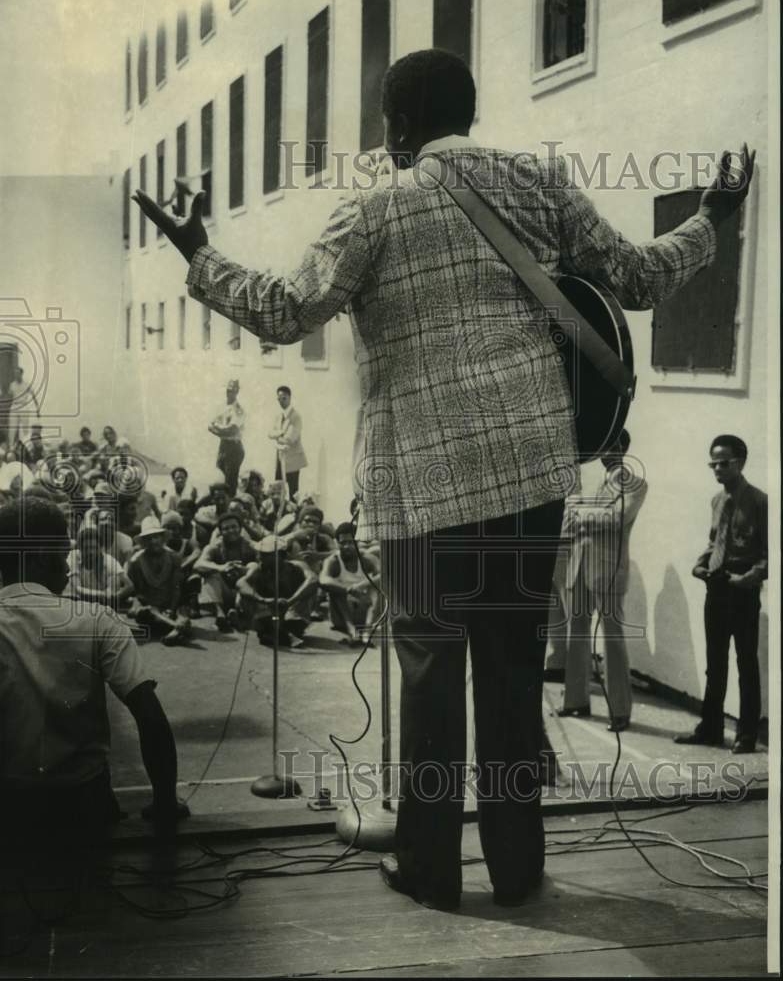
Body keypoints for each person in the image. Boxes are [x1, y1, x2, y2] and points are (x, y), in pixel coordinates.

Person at [134, 47, 753, 910]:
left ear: (394, 127)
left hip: (418, 494)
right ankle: (515, 868)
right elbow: (641, 278)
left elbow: (282, 310)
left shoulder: (375, 209)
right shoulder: (537, 184)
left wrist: (198, 251)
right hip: (531, 483)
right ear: (467, 111)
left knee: (429, 680)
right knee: (508, 677)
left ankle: (428, 867)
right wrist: (715, 216)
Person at [0, 497, 188, 845]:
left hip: (10, 807)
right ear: (42, 555)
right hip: (84, 804)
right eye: (64, 550)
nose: (69, 564)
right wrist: (165, 803)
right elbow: (149, 715)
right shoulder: (96, 620)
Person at [675, 435, 767, 754]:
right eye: (712, 462)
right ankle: (710, 728)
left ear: (740, 462)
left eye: (723, 462)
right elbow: (715, 541)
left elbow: (769, 554)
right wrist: (700, 565)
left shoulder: (760, 502)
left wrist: (747, 579)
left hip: (742, 591)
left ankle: (746, 735)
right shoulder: (717, 500)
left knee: (746, 664)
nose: (716, 468)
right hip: (716, 588)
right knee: (715, 663)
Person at [556, 430, 648, 731]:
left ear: (622, 448)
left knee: (612, 639)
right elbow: (569, 520)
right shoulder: (597, 481)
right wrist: (585, 512)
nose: (603, 452)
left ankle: (619, 711)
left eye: (610, 446)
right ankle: (576, 701)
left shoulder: (634, 483)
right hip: (580, 567)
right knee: (577, 635)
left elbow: (616, 518)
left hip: (607, 571)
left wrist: (580, 510)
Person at [234, 535, 317, 649]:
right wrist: (264, 600)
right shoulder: (259, 569)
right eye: (260, 553)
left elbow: (313, 579)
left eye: (265, 554)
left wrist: (290, 601)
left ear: (280, 555)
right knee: (245, 595)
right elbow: (240, 583)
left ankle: (278, 633)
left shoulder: (297, 566)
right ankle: (282, 634)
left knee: (308, 593)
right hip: (268, 611)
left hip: (290, 611)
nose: (259, 557)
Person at [126, 516, 192, 647]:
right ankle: (176, 628)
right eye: (149, 538)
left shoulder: (174, 558)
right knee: (143, 612)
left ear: (162, 538)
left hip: (169, 604)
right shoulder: (136, 562)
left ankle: (174, 627)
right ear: (144, 542)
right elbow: (137, 591)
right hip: (149, 607)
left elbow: (176, 587)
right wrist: (142, 604)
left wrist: (171, 609)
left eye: (156, 537)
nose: (153, 541)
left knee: (183, 611)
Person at [320, 521, 382, 646]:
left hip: (365, 613)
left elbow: (385, 574)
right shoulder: (333, 560)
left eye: (351, 542)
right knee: (335, 588)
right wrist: (349, 589)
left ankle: (367, 633)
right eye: (343, 543)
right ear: (337, 543)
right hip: (341, 617)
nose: (347, 546)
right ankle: (352, 631)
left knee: (376, 588)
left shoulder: (367, 558)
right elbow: (323, 580)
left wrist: (361, 585)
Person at [194, 510, 257, 631]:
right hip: (223, 594)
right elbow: (198, 565)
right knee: (210, 574)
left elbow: (263, 565)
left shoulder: (250, 545)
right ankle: (220, 615)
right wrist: (221, 568)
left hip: (244, 594)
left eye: (234, 527)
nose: (231, 531)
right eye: (226, 528)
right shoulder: (215, 546)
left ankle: (237, 613)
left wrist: (245, 570)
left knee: (253, 566)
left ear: (240, 528)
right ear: (221, 532)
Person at [65, 523, 133, 608]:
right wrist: (102, 594)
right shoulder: (72, 556)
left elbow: (129, 586)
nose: (91, 552)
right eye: (87, 548)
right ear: (80, 548)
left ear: (101, 547)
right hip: (78, 606)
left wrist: (114, 596)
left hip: (102, 608)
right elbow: (75, 589)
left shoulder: (110, 561)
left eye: (94, 548)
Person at [268, 386, 307, 497]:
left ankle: (293, 514)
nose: (281, 401)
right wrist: (280, 433)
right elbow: (270, 433)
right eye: (279, 399)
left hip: (293, 458)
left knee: (293, 491)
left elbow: (289, 439)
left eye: (284, 398)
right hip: (280, 457)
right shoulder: (279, 416)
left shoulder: (295, 417)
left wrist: (276, 436)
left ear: (289, 398)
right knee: (278, 489)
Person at [209, 378, 246, 495]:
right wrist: (221, 431)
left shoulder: (239, 410)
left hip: (234, 447)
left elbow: (232, 430)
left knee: (230, 482)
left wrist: (218, 429)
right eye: (228, 390)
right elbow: (210, 425)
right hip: (223, 446)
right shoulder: (222, 407)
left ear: (237, 392)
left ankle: (230, 507)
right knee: (219, 478)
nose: (229, 393)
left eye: (232, 390)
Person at [7, 366, 40, 447]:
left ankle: (27, 446)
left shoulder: (26, 385)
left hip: (23, 406)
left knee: (25, 428)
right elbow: (9, 396)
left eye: (18, 373)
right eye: (15, 374)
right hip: (14, 407)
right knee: (12, 428)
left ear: (21, 374)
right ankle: (11, 446)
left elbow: (33, 396)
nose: (16, 375)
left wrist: (37, 409)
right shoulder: (12, 385)